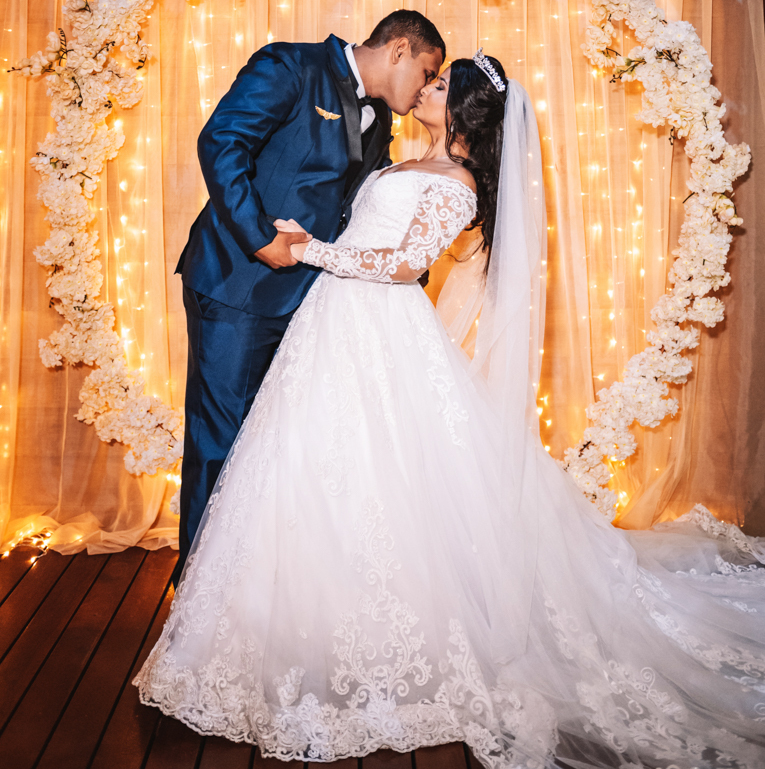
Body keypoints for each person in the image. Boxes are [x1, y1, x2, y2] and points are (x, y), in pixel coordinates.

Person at [138, 52, 765, 769]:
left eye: (439, 86)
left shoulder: (458, 185)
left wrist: (312, 252)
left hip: (379, 327)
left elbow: (404, 267)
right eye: (430, 79)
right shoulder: (403, 160)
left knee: (378, 472)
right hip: (331, 322)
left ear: (464, 111)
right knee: (307, 466)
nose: (424, 92)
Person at [172, 11, 445, 584]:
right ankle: (198, 587)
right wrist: (259, 238)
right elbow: (222, 142)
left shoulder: (379, 119)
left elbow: (358, 211)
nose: (425, 88)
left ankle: (254, 586)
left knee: (281, 446)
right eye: (427, 71)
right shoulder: (291, 66)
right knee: (222, 438)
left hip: (313, 302)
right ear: (399, 49)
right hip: (240, 286)